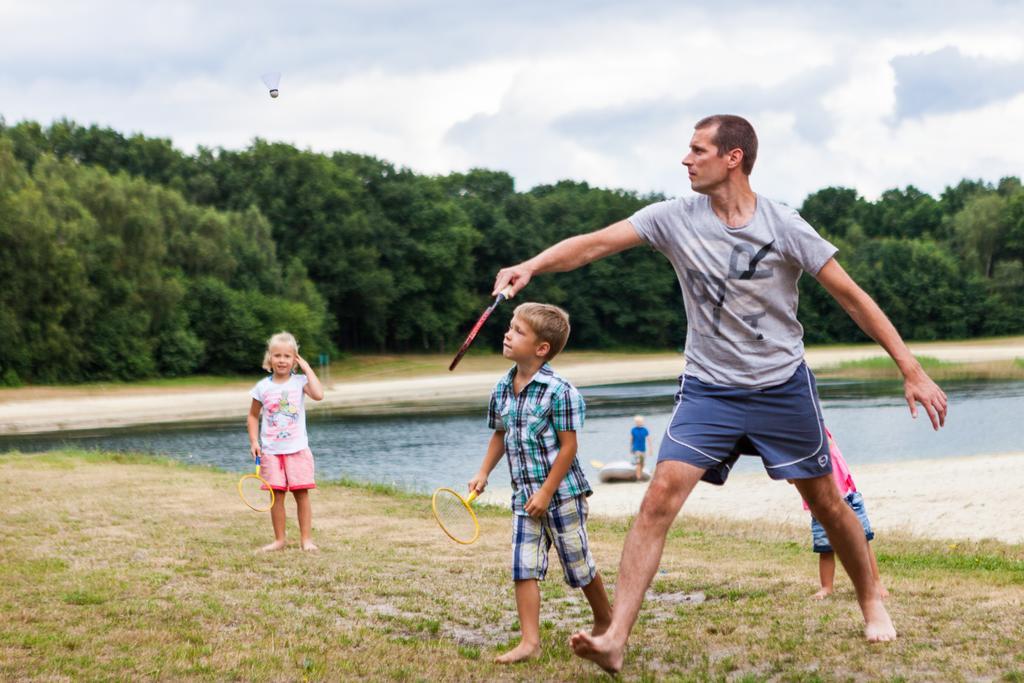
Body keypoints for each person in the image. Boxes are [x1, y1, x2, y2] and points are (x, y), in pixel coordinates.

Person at [490, 114, 948, 672]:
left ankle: (872, 601)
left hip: (781, 386)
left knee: (827, 501)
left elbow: (852, 297)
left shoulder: (784, 226)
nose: (686, 159)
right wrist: (532, 266)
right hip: (709, 387)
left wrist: (911, 369)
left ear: (733, 157)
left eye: (697, 150)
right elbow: (592, 246)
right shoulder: (671, 218)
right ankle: (615, 639)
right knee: (658, 496)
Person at [468, 303, 612, 664]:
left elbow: (569, 448)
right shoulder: (502, 388)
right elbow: (500, 434)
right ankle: (529, 642)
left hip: (562, 496)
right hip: (523, 497)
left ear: (541, 348)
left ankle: (607, 619)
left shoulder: (560, 391)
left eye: (517, 330)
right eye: (510, 327)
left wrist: (547, 492)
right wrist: (484, 471)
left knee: (578, 567)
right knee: (523, 566)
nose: (507, 333)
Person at [247, 331, 325, 552]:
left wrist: (307, 368)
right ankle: (280, 540)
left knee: (301, 494)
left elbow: (319, 395)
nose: (282, 360)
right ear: (269, 358)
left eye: (287, 356)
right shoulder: (262, 387)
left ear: (295, 359)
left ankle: (306, 540)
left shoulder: (300, 382)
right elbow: (253, 416)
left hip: (297, 449)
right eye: (277, 355)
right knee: (277, 496)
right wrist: (254, 441)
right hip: (271, 451)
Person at [799, 429, 887, 601]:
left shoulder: (822, 436)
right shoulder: (800, 451)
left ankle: (876, 582)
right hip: (820, 506)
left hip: (848, 499)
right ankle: (826, 587)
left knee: (862, 542)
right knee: (825, 549)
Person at [630, 415, 650, 480]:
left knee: (643, 464)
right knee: (638, 463)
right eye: (638, 422)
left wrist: (650, 449)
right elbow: (631, 439)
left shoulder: (645, 430)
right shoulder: (633, 430)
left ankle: (639, 475)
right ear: (636, 422)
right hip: (636, 449)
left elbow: (649, 439)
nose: (639, 423)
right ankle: (638, 478)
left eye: (641, 421)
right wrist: (631, 448)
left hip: (643, 449)